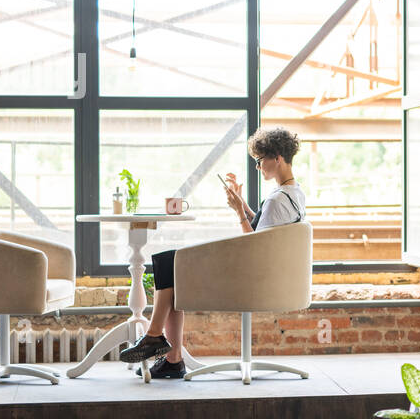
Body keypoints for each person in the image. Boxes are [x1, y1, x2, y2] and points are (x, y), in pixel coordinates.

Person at [120, 126, 306, 378]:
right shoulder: (293, 195)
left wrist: (240, 213)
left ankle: (156, 339)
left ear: (278, 158)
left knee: (170, 263)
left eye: (260, 161)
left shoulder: (275, 199)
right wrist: (243, 207)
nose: (258, 167)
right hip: (272, 278)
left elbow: (254, 247)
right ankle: (171, 358)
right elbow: (266, 234)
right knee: (170, 264)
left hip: (251, 280)